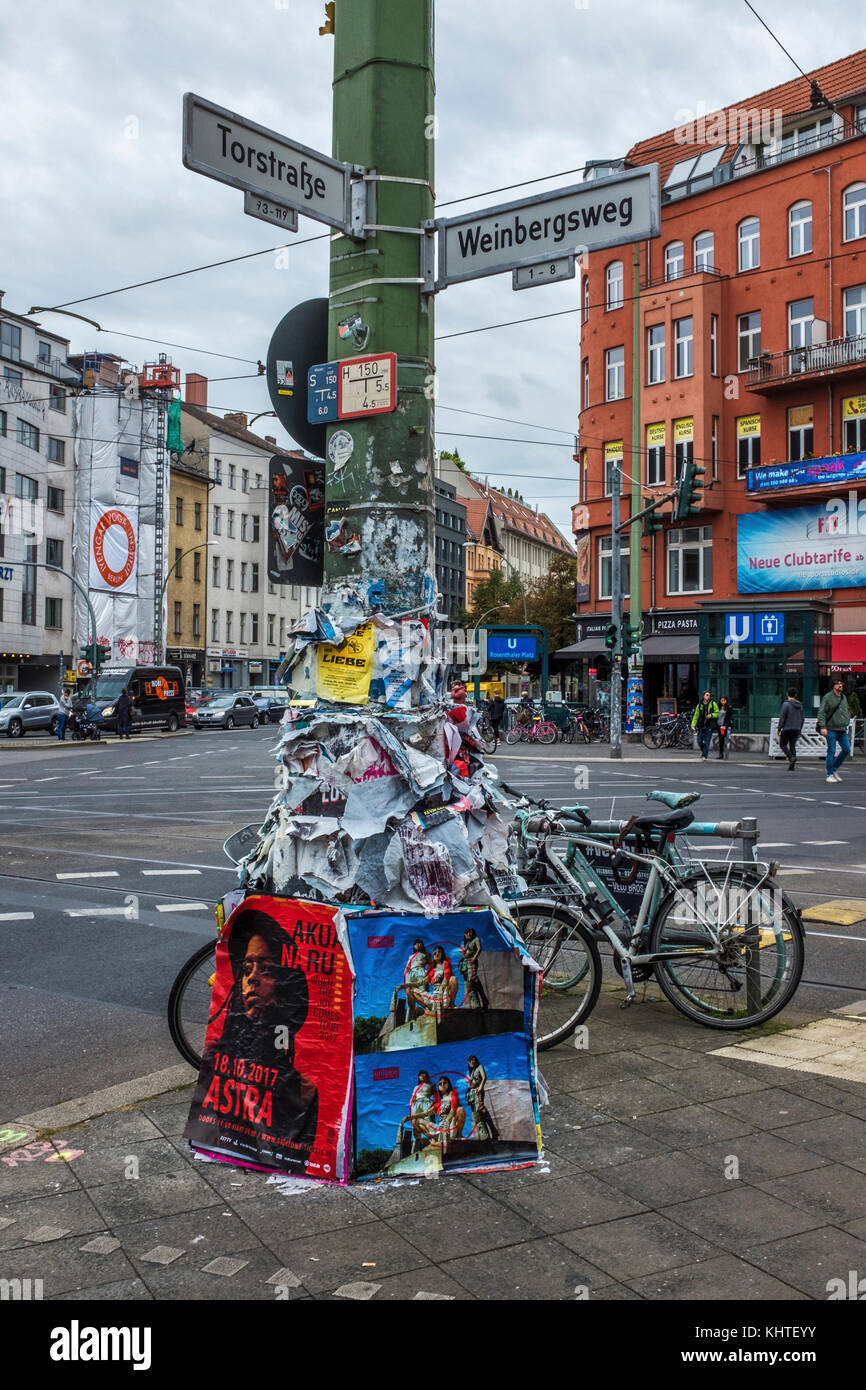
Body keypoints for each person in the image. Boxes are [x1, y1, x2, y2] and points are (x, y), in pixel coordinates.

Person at [196, 907, 319, 1155]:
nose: (252, 978)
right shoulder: (216, 1060)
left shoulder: (303, 1093)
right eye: (247, 968)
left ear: (284, 984)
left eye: (266, 969)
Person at [818, 678, 851, 784]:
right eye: (838, 684)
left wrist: (847, 719)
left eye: (841, 683)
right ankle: (829, 774)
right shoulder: (827, 697)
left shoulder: (843, 697)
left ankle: (834, 769)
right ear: (833, 686)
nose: (840, 685)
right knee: (831, 751)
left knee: (846, 749)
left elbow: (845, 710)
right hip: (831, 728)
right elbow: (821, 712)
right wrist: (823, 726)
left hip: (842, 729)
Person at [466, 1055, 499, 1142]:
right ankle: (486, 1137)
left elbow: (484, 1077)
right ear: (468, 1063)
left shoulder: (479, 1067)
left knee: (481, 1110)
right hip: (472, 1094)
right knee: (476, 1116)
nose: (472, 1062)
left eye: (474, 1060)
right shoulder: (471, 1072)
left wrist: (480, 1087)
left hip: (478, 1091)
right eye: (470, 1061)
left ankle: (494, 1133)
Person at [458, 927, 489, 1009]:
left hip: (472, 962)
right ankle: (483, 1001)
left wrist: (474, 958)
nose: (468, 934)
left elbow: (479, 948)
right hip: (465, 963)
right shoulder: (467, 943)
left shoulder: (476, 939)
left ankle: (478, 1004)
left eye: (470, 932)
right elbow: (464, 953)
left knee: (472, 979)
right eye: (467, 933)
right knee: (472, 981)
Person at [778, 687, 805, 771]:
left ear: (787, 694)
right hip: (796, 728)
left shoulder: (785, 704)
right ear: (795, 695)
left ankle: (791, 758)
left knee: (782, 744)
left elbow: (782, 717)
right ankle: (792, 765)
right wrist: (800, 728)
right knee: (792, 745)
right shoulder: (800, 705)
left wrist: (779, 728)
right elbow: (802, 718)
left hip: (787, 728)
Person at [691, 690, 720, 761]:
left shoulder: (713, 704)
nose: (708, 696)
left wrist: (711, 715)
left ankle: (704, 756)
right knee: (699, 740)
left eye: (709, 695)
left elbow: (717, 713)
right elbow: (696, 716)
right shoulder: (699, 705)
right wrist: (693, 725)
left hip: (709, 725)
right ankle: (704, 750)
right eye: (707, 695)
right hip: (701, 725)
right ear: (703, 696)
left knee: (707, 741)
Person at [716, 696, 731, 761]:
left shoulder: (729, 707)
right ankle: (721, 753)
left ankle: (723, 754)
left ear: (726, 701)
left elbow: (729, 718)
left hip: (723, 726)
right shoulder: (717, 707)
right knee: (720, 738)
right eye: (721, 700)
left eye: (724, 700)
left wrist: (725, 725)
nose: (723, 702)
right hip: (718, 725)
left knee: (722, 738)